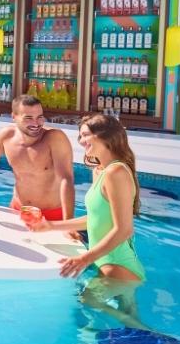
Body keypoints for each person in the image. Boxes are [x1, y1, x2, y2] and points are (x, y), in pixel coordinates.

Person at [31, 114, 144, 281]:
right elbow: (96, 218)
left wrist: (85, 259)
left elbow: (124, 229)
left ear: (104, 136)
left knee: (87, 304)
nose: (81, 141)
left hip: (118, 264)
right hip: (102, 260)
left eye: (85, 135)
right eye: (80, 136)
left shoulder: (116, 172)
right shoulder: (100, 171)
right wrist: (51, 226)